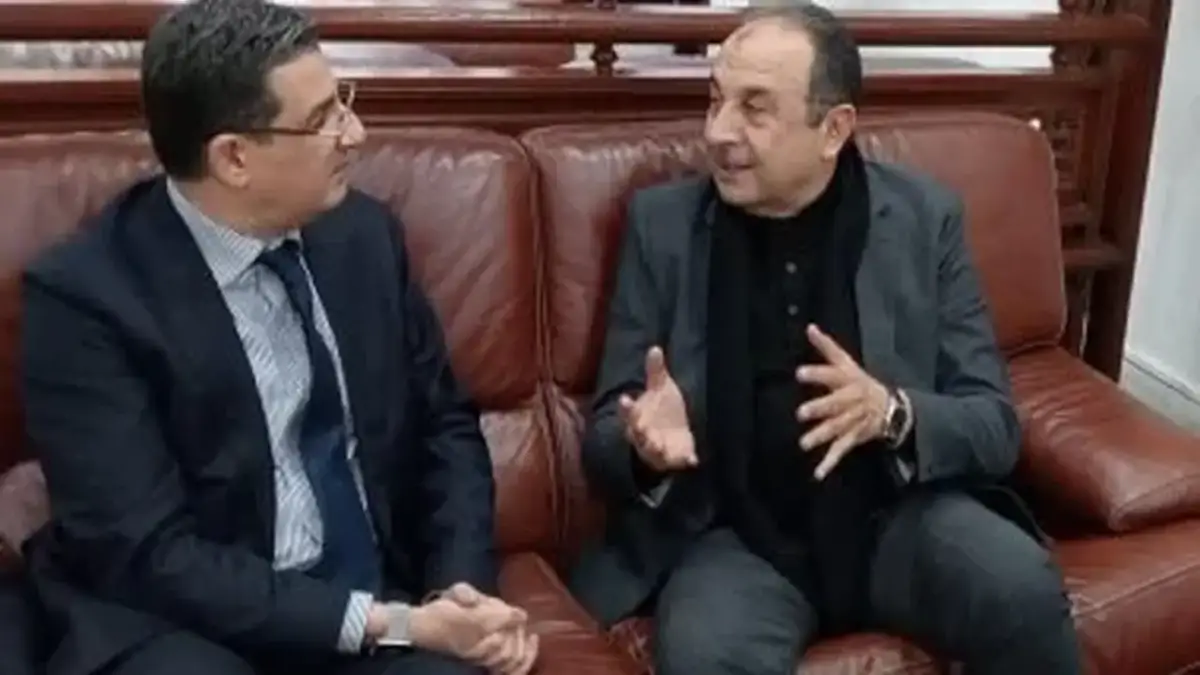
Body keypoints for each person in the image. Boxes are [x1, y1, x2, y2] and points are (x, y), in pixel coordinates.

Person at [19, 1, 538, 675]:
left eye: (344, 101)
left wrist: (458, 594)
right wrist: (391, 623)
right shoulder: (86, 299)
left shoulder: (364, 238)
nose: (355, 132)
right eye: (322, 119)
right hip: (183, 625)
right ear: (234, 157)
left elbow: (446, 427)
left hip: (374, 599)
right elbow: (147, 553)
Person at [567, 4, 1082, 675]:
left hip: (896, 519)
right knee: (705, 654)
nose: (718, 131)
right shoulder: (661, 227)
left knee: (1019, 589)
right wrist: (643, 451)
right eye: (716, 100)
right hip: (736, 535)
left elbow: (993, 424)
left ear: (833, 128)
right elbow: (606, 437)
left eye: (755, 109)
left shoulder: (924, 220)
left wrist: (891, 412)